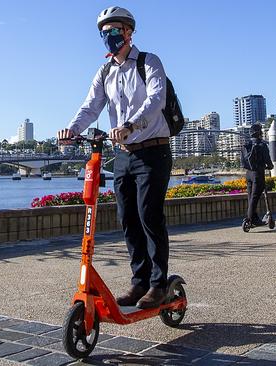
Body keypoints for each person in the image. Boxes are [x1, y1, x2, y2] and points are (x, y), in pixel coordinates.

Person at [57, 6, 172, 309]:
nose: (108, 35)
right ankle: (140, 282)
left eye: (114, 29)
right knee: (127, 219)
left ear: (129, 31)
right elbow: (91, 106)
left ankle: (159, 285)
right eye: (103, 31)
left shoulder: (149, 62)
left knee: (149, 215)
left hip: (153, 149)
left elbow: (156, 100)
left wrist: (132, 125)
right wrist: (71, 130)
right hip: (123, 154)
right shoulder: (105, 71)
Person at [241, 123, 273, 226]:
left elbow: (243, 161)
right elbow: (268, 160)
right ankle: (249, 219)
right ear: (259, 133)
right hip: (258, 174)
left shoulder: (247, 145)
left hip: (248, 173)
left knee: (251, 197)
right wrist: (270, 166)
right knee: (255, 197)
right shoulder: (262, 145)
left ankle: (254, 219)